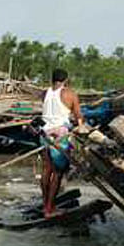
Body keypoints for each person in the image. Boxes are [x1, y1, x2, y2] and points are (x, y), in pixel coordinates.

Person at [40, 68, 85, 218]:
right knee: (58, 173)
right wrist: (80, 126)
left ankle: (45, 205)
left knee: (47, 170)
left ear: (52, 79)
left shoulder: (45, 93)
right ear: (66, 80)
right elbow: (78, 116)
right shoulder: (70, 94)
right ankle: (50, 209)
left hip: (44, 133)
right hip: (60, 136)